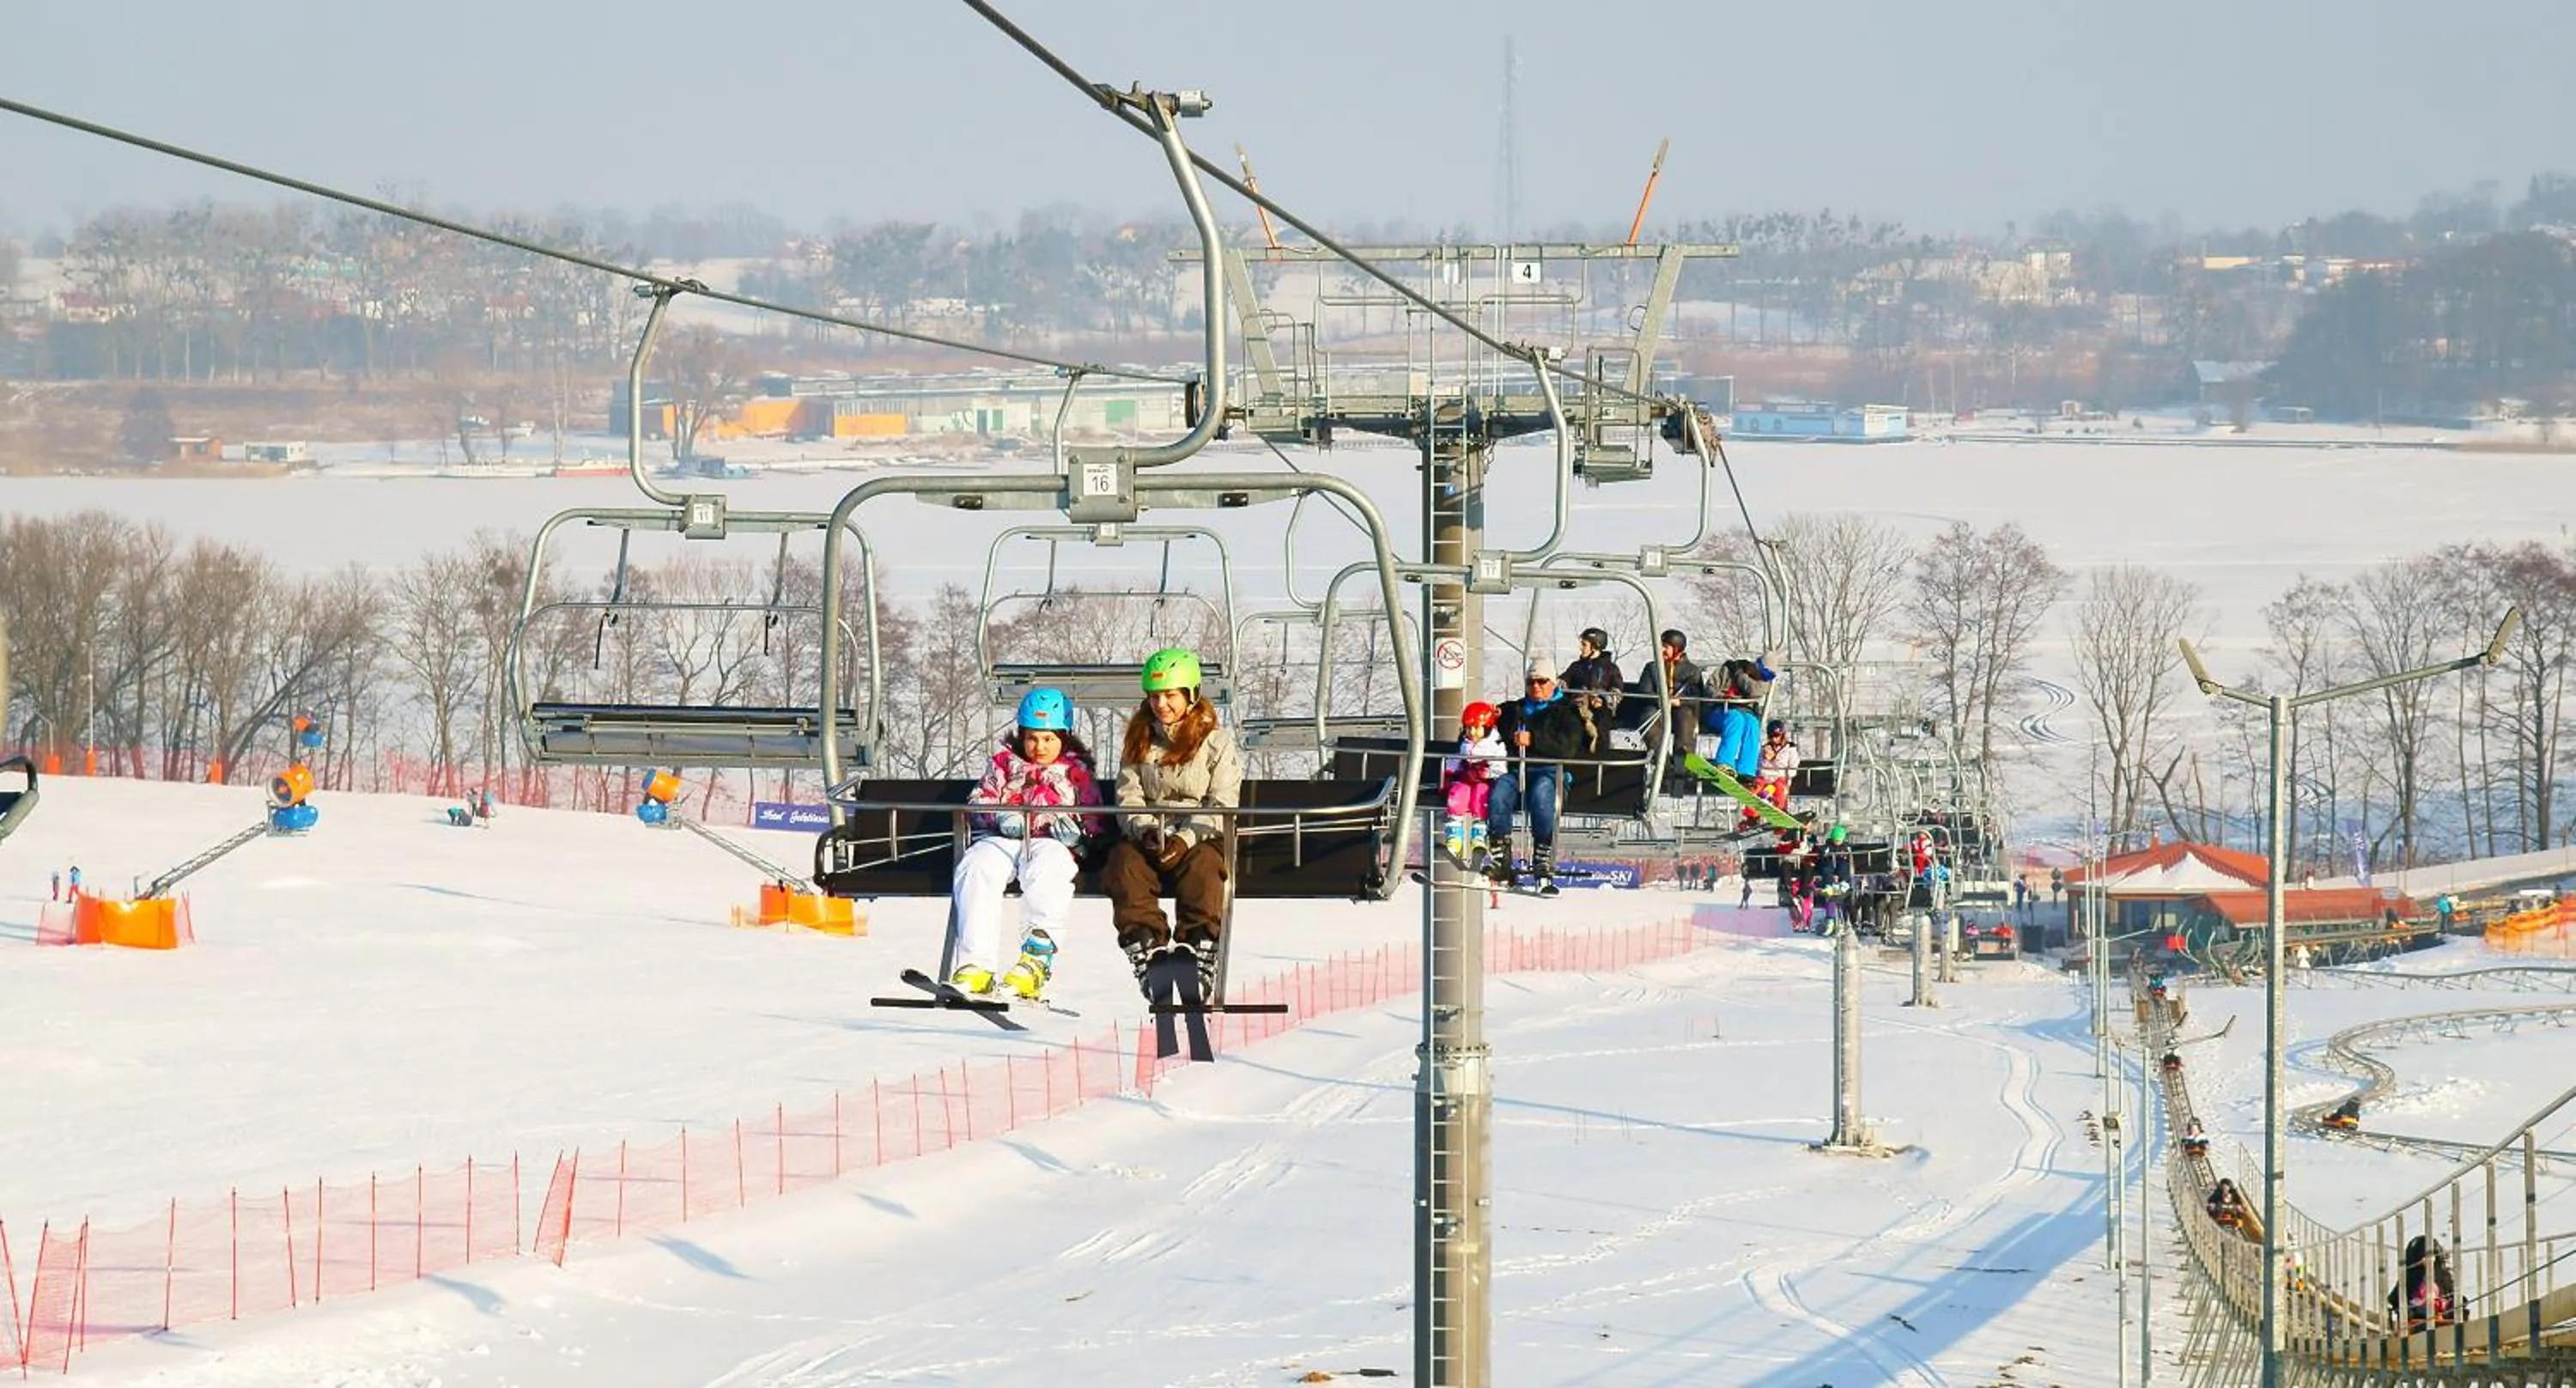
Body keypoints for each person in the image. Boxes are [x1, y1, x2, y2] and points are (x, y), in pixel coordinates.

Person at [950, 687, 1105, 1000]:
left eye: (1048, 739)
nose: (1039, 747)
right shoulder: (1003, 764)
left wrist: (1079, 838)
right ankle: (975, 964)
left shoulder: (1076, 773)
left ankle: (1035, 960)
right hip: (1005, 836)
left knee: (1049, 870)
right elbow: (979, 802)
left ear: (1063, 737)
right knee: (977, 866)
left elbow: (1094, 817)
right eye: (1032, 738)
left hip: (1050, 840)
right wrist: (998, 815)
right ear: (1021, 735)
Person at [1104, 647, 1242, 998]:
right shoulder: (1139, 740)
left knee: (1205, 866)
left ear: (1191, 695)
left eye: (1170, 696)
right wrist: (1146, 830)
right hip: (1152, 833)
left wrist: (1184, 839)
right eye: (1154, 696)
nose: (1161, 704)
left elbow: (1222, 803)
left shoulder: (1216, 743)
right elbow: (1128, 796)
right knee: (1124, 862)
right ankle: (1146, 947)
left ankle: (1199, 947)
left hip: (1200, 834)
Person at [1485, 666, 1595, 897]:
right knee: (1498, 794)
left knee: (1542, 794)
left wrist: (1534, 739)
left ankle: (1542, 858)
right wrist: (1485, 720)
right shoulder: (1513, 710)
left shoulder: (1567, 713)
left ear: (1553, 683)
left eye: (1542, 681)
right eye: (1531, 682)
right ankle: (1501, 857)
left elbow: (1567, 748)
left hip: (1550, 772)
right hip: (1517, 771)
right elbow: (1483, 732)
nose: (1536, 686)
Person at [1440, 701, 1504, 867]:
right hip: (1466, 778)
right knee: (1457, 795)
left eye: (1476, 728)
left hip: (1484, 781)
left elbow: (1501, 767)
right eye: (1468, 728)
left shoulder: (1495, 744)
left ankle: (1479, 838)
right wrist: (1449, 772)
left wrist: (1486, 773)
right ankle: (1454, 840)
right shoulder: (1465, 742)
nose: (1472, 733)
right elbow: (1456, 758)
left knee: (1480, 798)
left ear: (1487, 727)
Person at [1709, 652, 1780, 777]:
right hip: (1719, 712)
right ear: (1757, 666)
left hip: (1743, 713)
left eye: (1769, 676)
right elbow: (1710, 688)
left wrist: (1739, 673)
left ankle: (1746, 770)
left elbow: (1752, 690)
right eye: (1764, 674)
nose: (1764, 678)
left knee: (1753, 724)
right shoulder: (1727, 670)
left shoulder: (1762, 684)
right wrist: (1722, 697)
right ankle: (1724, 762)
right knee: (1736, 719)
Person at [1636, 628, 1704, 735]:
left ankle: (1683, 747)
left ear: (1677, 649)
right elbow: (1644, 691)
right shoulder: (1652, 667)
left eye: (1666, 647)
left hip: (1681, 709)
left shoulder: (1692, 671)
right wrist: (1662, 700)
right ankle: (1657, 746)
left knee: (1685, 719)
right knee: (1648, 717)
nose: (1661, 650)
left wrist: (1680, 702)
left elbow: (1697, 697)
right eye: (1661, 646)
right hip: (1657, 708)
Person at [2388, 1235, 2458, 1331]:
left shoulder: (2441, 1278)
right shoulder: (2411, 1278)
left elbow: (2449, 1296)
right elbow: (2396, 1299)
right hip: (2417, 1321)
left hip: (2438, 1319)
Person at [1558, 627, 1625, 720]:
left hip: (1600, 711)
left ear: (1594, 647)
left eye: (1584, 645)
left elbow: (1616, 691)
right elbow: (1563, 681)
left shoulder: (1610, 668)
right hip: (1576, 709)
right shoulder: (1576, 666)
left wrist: (1603, 698)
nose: (1580, 648)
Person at [1746, 721, 1800, 829]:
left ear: (1782, 735)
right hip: (1765, 777)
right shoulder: (1764, 749)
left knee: (1780, 787)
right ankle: (1752, 816)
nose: (1774, 739)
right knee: (1756, 787)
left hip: (1780, 778)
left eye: (1776, 735)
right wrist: (1766, 760)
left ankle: (1780, 812)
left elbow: (1793, 769)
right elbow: (1759, 766)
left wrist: (1774, 760)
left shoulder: (1790, 749)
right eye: (1771, 736)